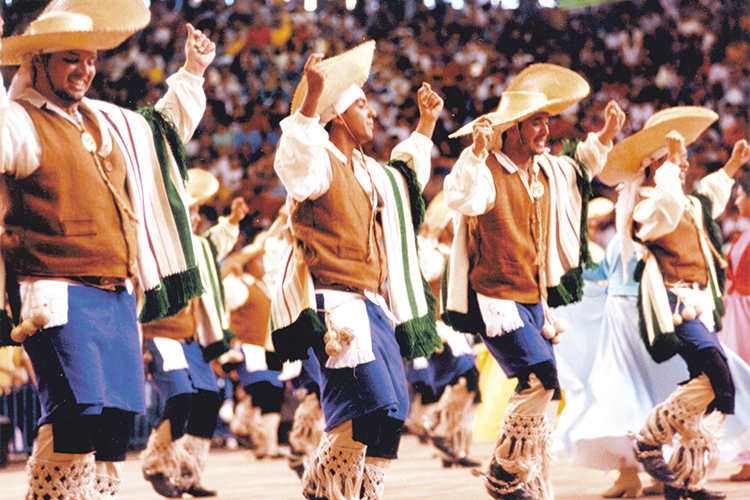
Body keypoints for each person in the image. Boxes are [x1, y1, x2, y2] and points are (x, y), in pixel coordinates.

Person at [0, 2, 215, 497]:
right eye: (71, 59)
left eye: (91, 59)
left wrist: (192, 72)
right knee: (78, 411)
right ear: (37, 63)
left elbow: (163, 133)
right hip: (53, 289)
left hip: (116, 292)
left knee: (116, 419)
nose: (85, 69)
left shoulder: (109, 121)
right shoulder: (20, 122)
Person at [442, 63, 626, 500]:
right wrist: (474, 154)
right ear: (513, 129)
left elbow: (579, 167)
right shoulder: (487, 169)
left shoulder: (546, 171)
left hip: (531, 298)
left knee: (545, 385)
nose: (546, 130)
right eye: (535, 122)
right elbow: (461, 196)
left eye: (547, 120)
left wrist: (604, 135)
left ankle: (520, 477)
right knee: (541, 380)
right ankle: (505, 473)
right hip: (496, 298)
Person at [271, 40, 444, 500]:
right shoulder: (320, 162)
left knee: (392, 412)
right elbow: (293, 164)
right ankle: (325, 487)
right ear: (339, 116)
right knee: (370, 405)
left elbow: (406, 179)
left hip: (372, 305)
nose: (372, 113)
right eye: (362, 105)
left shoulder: (371, 173)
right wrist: (313, 98)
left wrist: (426, 124)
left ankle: (359, 492)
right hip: (336, 307)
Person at [598, 106, 750, 500]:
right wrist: (670, 166)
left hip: (697, 301)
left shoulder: (686, 203)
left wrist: (731, 166)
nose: (682, 166)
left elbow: (707, 197)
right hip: (673, 303)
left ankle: (683, 480)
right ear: (653, 167)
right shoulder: (644, 207)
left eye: (682, 159)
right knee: (718, 375)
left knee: (710, 383)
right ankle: (650, 439)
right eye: (672, 159)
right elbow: (665, 212)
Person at [140, 169, 249, 498]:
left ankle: (188, 473)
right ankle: (156, 464)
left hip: (191, 338)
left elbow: (213, 245)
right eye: (192, 210)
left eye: (197, 210)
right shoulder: (153, 240)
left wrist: (232, 222)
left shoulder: (196, 247)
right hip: (161, 333)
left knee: (208, 400)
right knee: (181, 398)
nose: (197, 217)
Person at [718, 172, 750, 482]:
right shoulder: (743, 233)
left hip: (745, 313)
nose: (736, 201)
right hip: (737, 313)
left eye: (740, 194)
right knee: (740, 380)